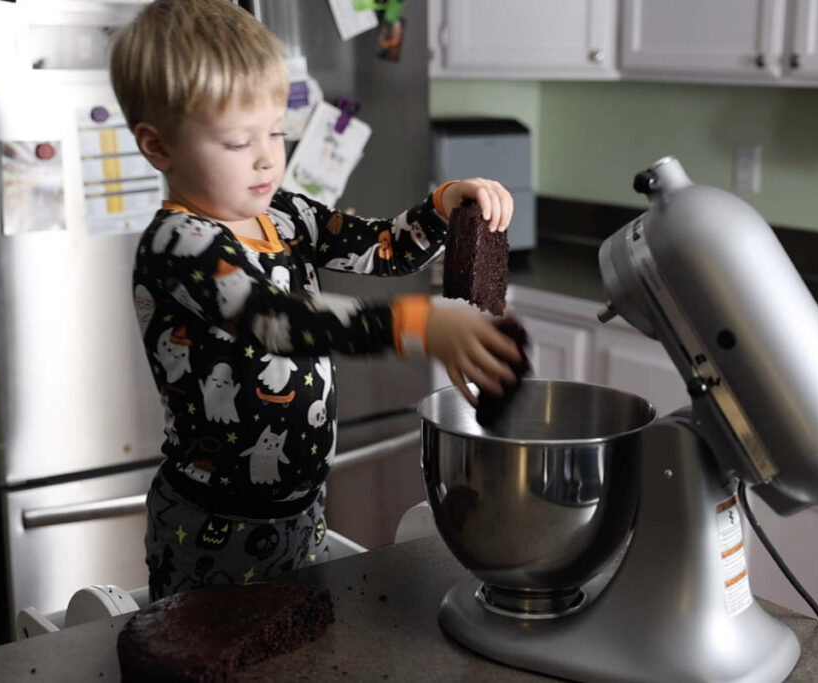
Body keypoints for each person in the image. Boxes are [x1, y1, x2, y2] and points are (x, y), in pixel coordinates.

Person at [109, 0, 522, 600]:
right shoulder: (180, 243)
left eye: (276, 131)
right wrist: (418, 323)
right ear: (159, 148)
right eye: (236, 142)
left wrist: (444, 205)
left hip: (302, 508)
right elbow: (278, 321)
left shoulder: (286, 214)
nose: (267, 157)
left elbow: (382, 247)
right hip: (212, 522)